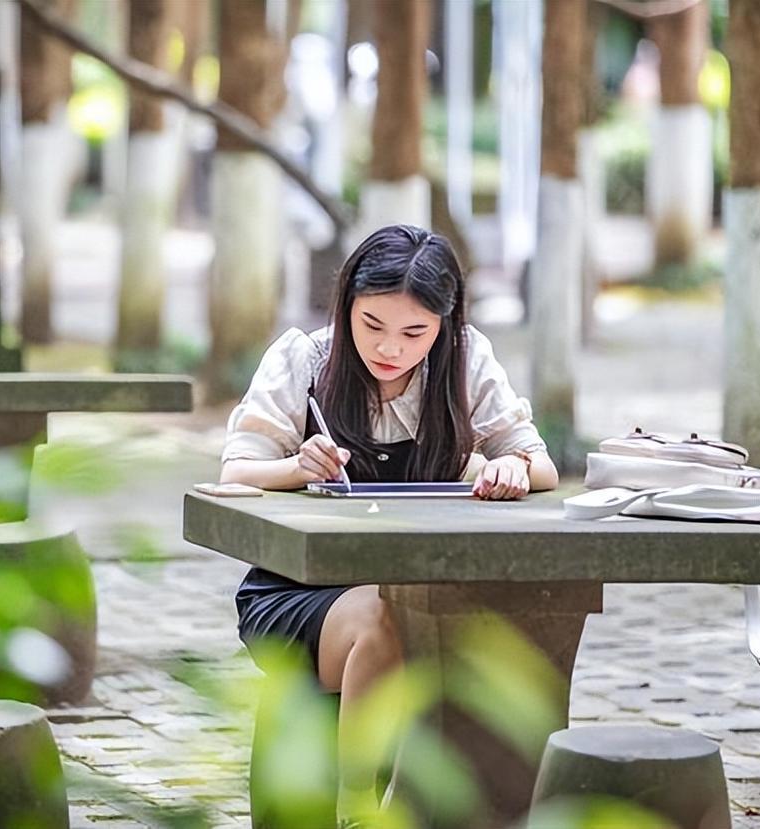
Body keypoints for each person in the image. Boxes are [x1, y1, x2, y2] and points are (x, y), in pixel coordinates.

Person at [219, 224, 559, 822]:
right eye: (372, 325)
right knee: (385, 616)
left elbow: (542, 466)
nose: (390, 349)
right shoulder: (306, 359)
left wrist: (511, 467)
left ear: (445, 325)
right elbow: (236, 473)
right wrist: (298, 466)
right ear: (348, 302)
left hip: (421, 584)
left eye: (414, 333)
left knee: (439, 620)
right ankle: (357, 808)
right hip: (301, 590)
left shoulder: (465, 361)